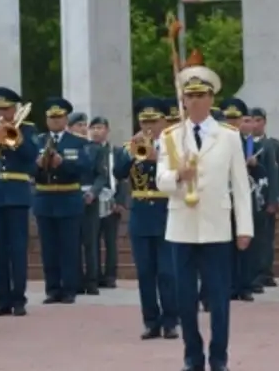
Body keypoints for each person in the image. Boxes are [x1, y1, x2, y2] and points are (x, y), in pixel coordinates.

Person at [156, 63, 253, 371]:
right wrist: (178, 175)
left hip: (217, 226)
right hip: (182, 227)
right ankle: (192, 356)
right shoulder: (171, 136)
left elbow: (240, 185)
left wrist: (244, 228)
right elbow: (160, 181)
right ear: (182, 100)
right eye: (190, 96)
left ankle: (219, 357)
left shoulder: (228, 136)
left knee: (219, 299)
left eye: (201, 95)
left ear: (212, 99)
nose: (195, 101)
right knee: (185, 300)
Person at [114, 97, 179, 340]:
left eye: (154, 121)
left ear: (164, 121)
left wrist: (157, 157)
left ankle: (171, 320)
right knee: (145, 272)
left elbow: (182, 171)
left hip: (166, 211)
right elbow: (119, 173)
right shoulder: (129, 145)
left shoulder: (174, 146)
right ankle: (150, 321)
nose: (149, 127)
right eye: (144, 121)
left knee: (167, 272)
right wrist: (131, 153)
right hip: (141, 213)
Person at [0, 87, 38, 317]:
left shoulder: (28, 129)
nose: (2, 114)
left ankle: (19, 299)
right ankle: (1, 300)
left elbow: (31, 157)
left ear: (15, 109)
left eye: (6, 109)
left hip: (16, 194)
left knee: (17, 249)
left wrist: (13, 139)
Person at [34, 97, 91, 304]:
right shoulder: (37, 141)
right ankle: (52, 289)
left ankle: (69, 289)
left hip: (68, 197)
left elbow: (85, 168)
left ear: (66, 119)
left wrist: (63, 163)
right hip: (45, 197)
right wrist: (39, 165)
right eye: (52, 118)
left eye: (59, 117)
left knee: (69, 247)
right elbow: (27, 170)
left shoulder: (78, 142)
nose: (55, 121)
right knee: (48, 248)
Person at [221, 98, 273, 297]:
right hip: (223, 197)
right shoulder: (217, 141)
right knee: (226, 244)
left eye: (237, 119)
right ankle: (230, 285)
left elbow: (262, 173)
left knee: (246, 243)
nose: (233, 123)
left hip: (244, 197)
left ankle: (245, 284)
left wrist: (253, 164)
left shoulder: (247, 141)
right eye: (228, 118)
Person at [69, 112, 108, 295]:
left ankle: (92, 281)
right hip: (70, 196)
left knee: (90, 241)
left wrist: (93, 192)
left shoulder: (95, 148)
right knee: (73, 242)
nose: (83, 128)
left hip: (90, 197)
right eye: (78, 125)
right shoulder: (66, 147)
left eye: (85, 125)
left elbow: (101, 174)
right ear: (70, 128)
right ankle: (75, 281)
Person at [90, 116, 129, 289]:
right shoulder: (87, 150)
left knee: (111, 241)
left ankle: (110, 275)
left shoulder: (117, 152)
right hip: (93, 200)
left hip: (112, 199)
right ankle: (95, 274)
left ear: (107, 130)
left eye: (100, 128)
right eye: (94, 128)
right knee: (93, 240)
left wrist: (120, 201)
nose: (97, 131)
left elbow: (123, 178)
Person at [250, 107, 279, 287]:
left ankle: (265, 272)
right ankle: (253, 272)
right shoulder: (244, 144)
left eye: (258, 120)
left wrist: (277, 198)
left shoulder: (272, 144)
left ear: (264, 122)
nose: (255, 125)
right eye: (251, 120)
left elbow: (278, 173)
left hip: (266, 197)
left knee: (266, 237)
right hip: (249, 197)